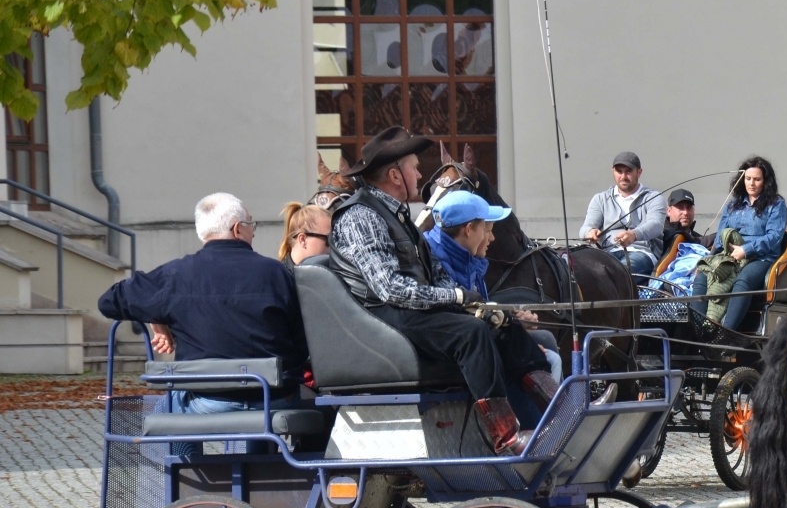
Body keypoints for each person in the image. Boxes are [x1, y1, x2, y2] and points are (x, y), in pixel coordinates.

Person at [327, 125, 544, 455]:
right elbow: (389, 289)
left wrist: (479, 306)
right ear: (395, 175)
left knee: (502, 325)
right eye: (414, 166)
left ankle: (560, 410)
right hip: (381, 322)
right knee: (470, 333)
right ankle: (506, 436)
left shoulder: (398, 216)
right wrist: (456, 298)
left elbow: (436, 275)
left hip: (406, 314)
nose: (419, 173)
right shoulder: (360, 216)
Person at [99, 193, 309, 457]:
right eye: (251, 226)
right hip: (275, 400)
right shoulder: (275, 273)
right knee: (267, 399)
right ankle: (259, 467)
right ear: (237, 229)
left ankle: (188, 477)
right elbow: (300, 344)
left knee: (168, 406)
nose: (252, 233)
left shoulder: (176, 275)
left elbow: (108, 301)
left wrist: (155, 315)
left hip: (208, 402)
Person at [423, 188, 564, 393]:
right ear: (469, 229)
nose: (492, 238)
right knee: (549, 358)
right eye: (487, 230)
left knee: (545, 340)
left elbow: (480, 307)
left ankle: (555, 413)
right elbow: (462, 315)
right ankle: (556, 416)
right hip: (459, 343)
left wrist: (516, 321)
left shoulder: (469, 259)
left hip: (474, 335)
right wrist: (520, 343)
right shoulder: (438, 259)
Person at [691, 156, 787, 331]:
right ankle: (701, 331)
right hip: (729, 255)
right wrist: (709, 259)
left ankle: (726, 332)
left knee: (743, 281)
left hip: (760, 257)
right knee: (702, 277)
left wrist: (746, 249)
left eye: (757, 179)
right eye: (748, 179)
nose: (752, 183)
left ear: (766, 181)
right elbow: (720, 236)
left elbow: (774, 237)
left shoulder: (776, 204)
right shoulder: (732, 204)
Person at [581, 151, 666, 279]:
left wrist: (634, 235)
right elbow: (585, 228)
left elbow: (656, 225)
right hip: (608, 253)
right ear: (613, 171)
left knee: (619, 272)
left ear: (639, 172)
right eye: (619, 171)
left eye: (628, 171)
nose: (623, 176)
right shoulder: (600, 199)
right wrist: (590, 232)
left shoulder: (654, 197)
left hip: (642, 253)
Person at [278, 201, 333, 265]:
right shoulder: (279, 274)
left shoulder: (332, 272)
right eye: (329, 239)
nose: (333, 247)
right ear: (302, 240)